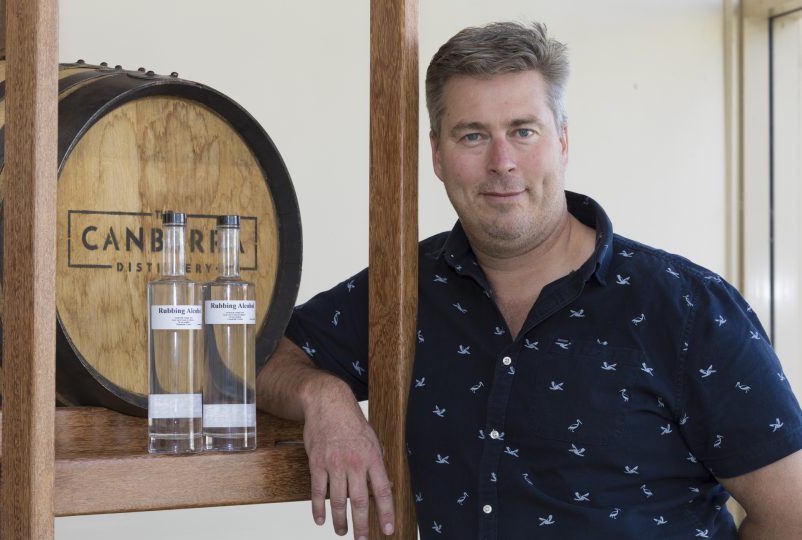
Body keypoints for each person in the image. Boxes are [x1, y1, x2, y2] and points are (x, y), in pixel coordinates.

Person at [257, 21, 802, 539]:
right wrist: (323, 395)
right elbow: (255, 359)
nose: (502, 162)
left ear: (562, 142)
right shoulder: (403, 291)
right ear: (438, 155)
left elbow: (791, 514)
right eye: (472, 136)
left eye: (523, 131)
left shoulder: (689, 310)